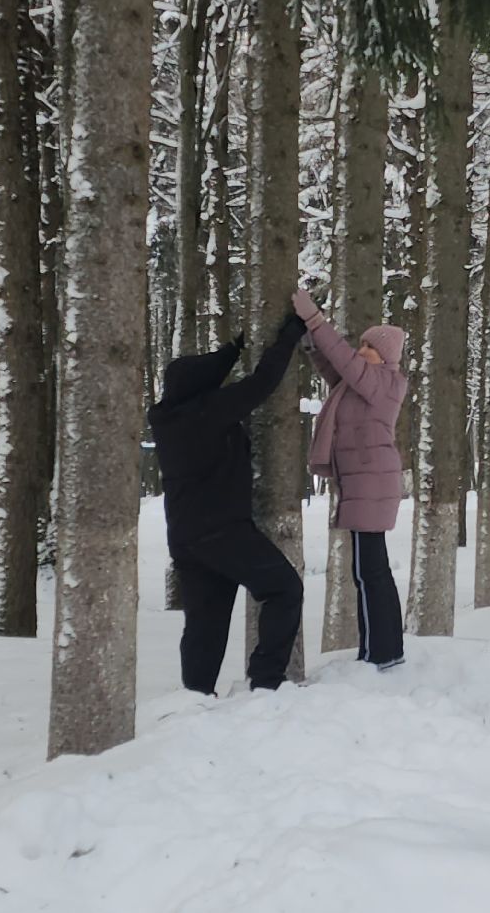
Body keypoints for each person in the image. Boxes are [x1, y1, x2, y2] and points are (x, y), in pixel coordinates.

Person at [147, 310, 308, 695]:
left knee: (206, 623)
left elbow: (203, 372)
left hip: (186, 537)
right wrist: (289, 335)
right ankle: (267, 683)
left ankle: (196, 697)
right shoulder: (208, 412)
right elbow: (262, 383)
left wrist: (234, 348)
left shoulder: (169, 417)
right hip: (222, 531)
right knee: (285, 589)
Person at [295, 289, 409, 670]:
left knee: (368, 572)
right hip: (367, 483)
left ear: (385, 356)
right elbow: (336, 371)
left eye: (368, 347)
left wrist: (316, 320)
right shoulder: (369, 384)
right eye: (360, 345)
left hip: (370, 484)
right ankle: (383, 649)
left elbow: (344, 362)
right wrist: (312, 346)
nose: (361, 351)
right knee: (371, 571)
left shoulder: (383, 382)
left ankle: (380, 653)